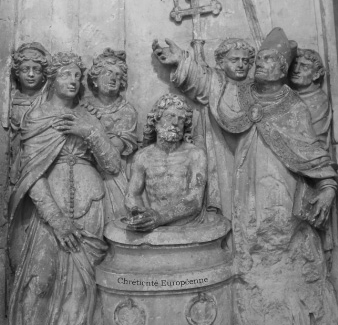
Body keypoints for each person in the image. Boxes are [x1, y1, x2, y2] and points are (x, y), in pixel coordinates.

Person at [153, 28, 338, 324]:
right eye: (260, 60)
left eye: (269, 61)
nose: (260, 65)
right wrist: (181, 61)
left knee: (279, 245)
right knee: (248, 241)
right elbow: (209, 83)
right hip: (245, 185)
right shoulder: (241, 93)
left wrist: (328, 187)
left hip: (283, 190)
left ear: (282, 70)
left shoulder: (294, 107)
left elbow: (313, 152)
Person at [8, 52, 123, 325]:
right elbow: (31, 174)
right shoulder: (38, 116)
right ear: (52, 79)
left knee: (82, 286)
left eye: (76, 75)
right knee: (40, 279)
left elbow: (113, 165)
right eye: (65, 74)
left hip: (90, 205)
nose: (72, 80)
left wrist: (89, 133)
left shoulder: (86, 117)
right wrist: (57, 220)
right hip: (48, 209)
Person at [152, 37, 255, 217]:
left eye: (245, 61)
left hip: (251, 155)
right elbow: (198, 78)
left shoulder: (255, 88)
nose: (240, 65)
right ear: (221, 63)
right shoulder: (216, 82)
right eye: (234, 60)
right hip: (221, 151)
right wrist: (181, 60)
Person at [124, 93, 207, 231]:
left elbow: (195, 200)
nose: (175, 123)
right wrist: (139, 213)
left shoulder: (195, 155)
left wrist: (160, 217)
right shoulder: (143, 156)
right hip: (153, 226)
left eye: (181, 119)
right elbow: (132, 194)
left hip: (186, 226)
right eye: (170, 116)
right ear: (156, 121)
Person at [82, 48, 138, 221]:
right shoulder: (82, 107)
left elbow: (114, 152)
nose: (114, 78)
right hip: (80, 171)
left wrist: (91, 134)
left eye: (118, 75)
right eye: (108, 73)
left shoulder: (126, 111)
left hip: (110, 178)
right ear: (95, 79)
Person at [9, 42, 51, 184]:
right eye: (25, 69)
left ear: (44, 75)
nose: (31, 74)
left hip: (42, 159)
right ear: (17, 72)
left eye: (37, 70)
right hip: (16, 157)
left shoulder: (48, 100)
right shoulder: (11, 99)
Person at [290, 48, 331, 149]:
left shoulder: (318, 100)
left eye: (304, 67)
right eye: (295, 64)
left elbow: (314, 141)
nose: (296, 70)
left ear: (316, 74)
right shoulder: (287, 94)